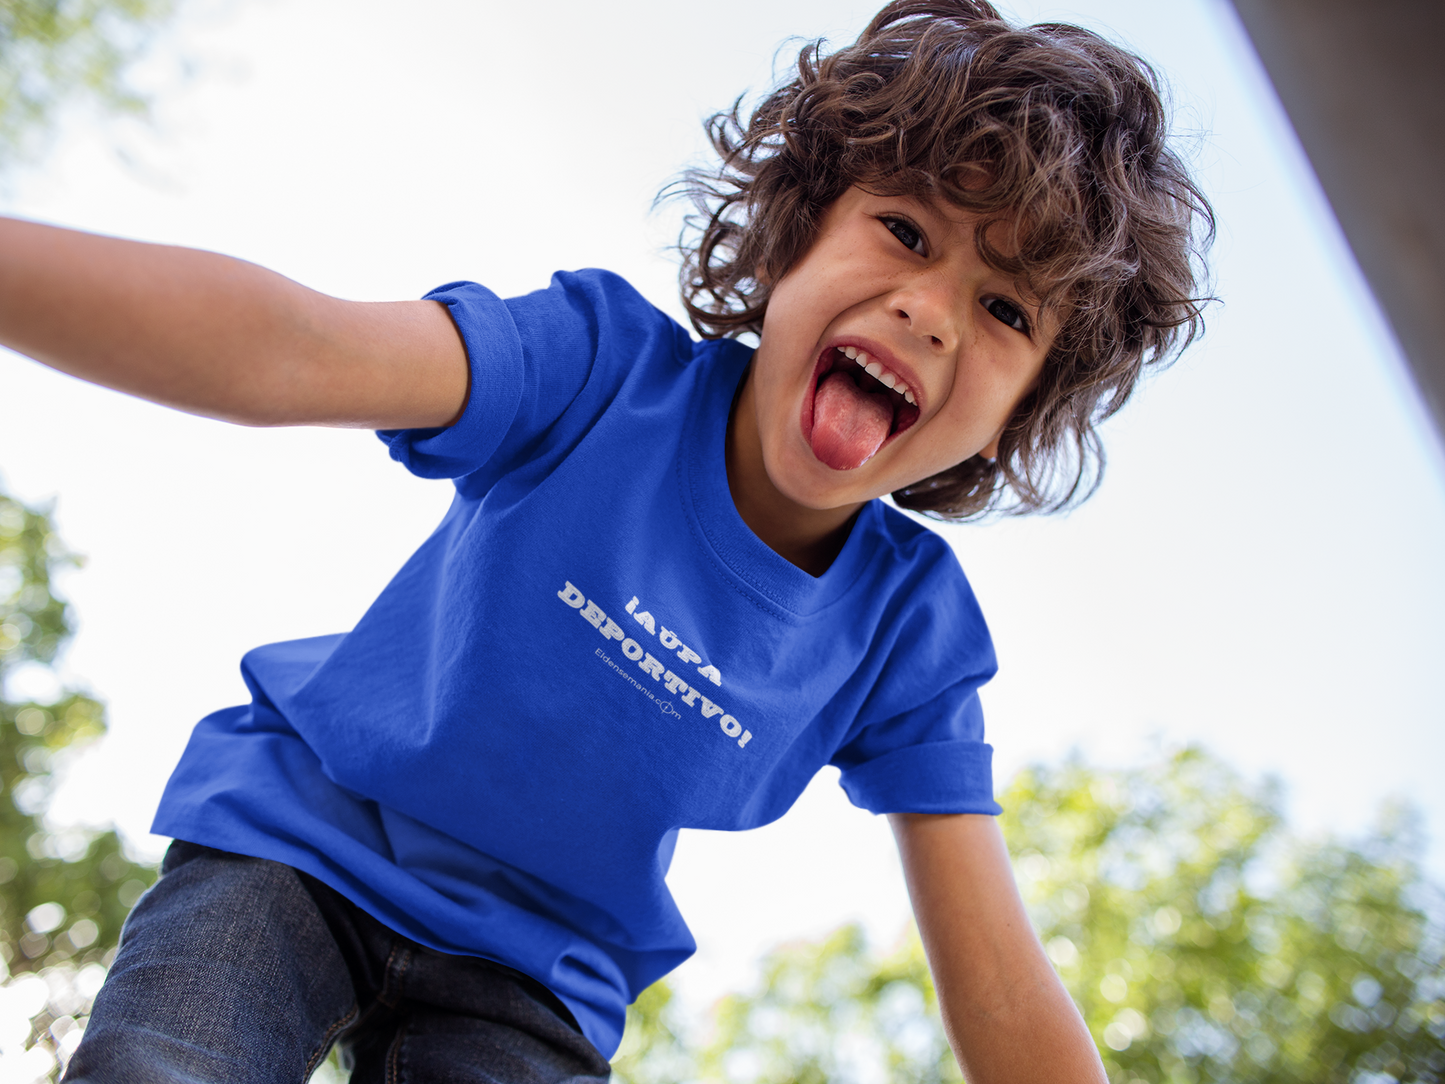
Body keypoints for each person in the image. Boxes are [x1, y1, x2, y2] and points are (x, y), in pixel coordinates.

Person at [0, 1, 1212, 1080]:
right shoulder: (595, 370)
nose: (930, 311)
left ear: (1016, 414)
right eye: (904, 230)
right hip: (302, 843)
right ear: (794, 232)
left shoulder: (906, 636)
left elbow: (995, 983)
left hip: (533, 979)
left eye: (1004, 309)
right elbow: (294, 348)